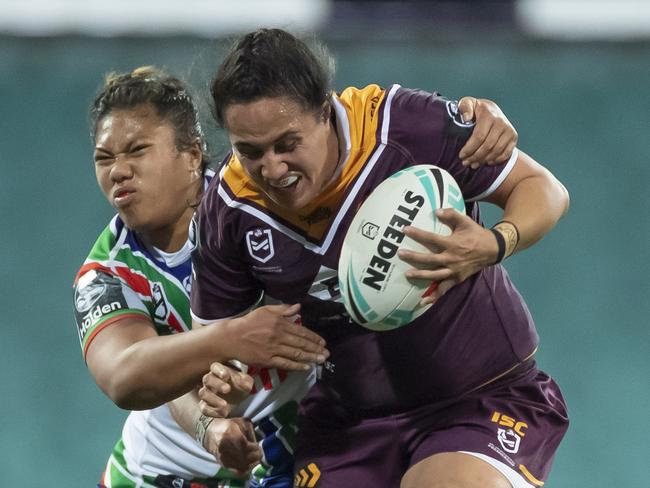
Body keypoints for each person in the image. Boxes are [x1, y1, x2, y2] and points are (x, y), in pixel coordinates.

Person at [191, 28, 569, 488]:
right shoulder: (228, 210)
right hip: (348, 425)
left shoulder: (404, 128)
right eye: (249, 151)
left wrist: (494, 243)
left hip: (479, 398)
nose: (272, 169)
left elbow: (543, 190)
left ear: (325, 112)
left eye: (288, 144)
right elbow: (208, 345)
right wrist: (222, 389)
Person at [73, 66, 331, 488]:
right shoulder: (107, 274)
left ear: (192, 155)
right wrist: (229, 342)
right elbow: (127, 376)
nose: (118, 171)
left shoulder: (262, 203)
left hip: (295, 456)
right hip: (163, 472)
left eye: (137, 150)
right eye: (104, 158)